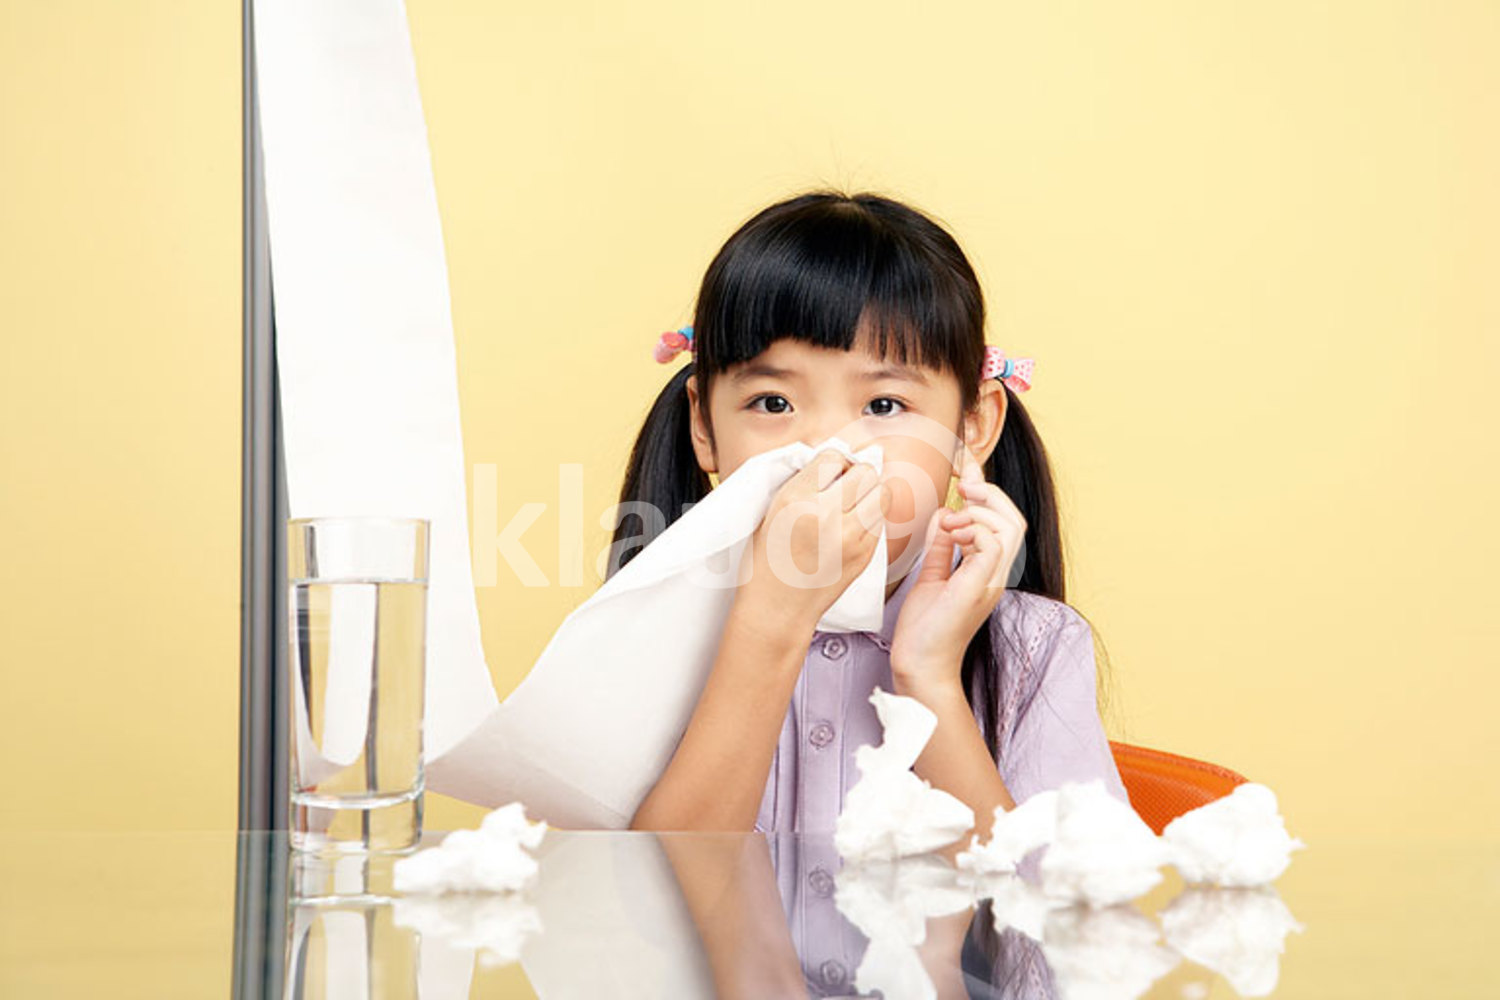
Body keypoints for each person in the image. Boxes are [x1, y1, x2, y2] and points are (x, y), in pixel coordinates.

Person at [621, 189, 1127, 841]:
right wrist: (771, 619)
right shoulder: (647, 627)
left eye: (884, 407)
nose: (829, 448)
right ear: (704, 425)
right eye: (773, 404)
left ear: (972, 426)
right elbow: (629, 914)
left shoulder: (1035, 650)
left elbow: (1051, 940)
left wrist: (931, 679)